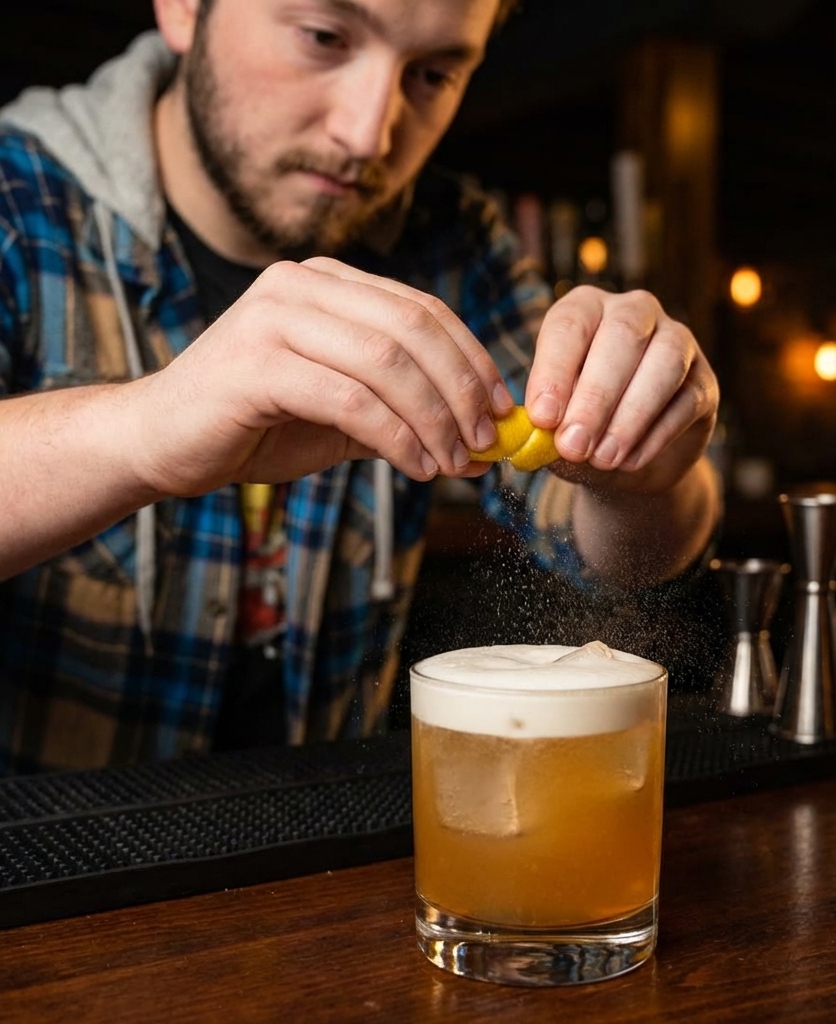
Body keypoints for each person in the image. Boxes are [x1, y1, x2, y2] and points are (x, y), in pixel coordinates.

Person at [0, 0, 720, 774]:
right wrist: (143, 429)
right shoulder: (19, 197)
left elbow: (610, 552)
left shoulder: (455, 242)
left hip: (335, 854)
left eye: (435, 73)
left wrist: (648, 471)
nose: (368, 134)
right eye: (324, 37)